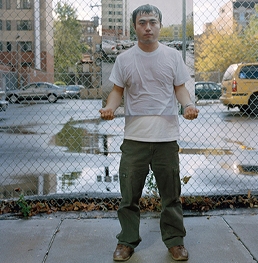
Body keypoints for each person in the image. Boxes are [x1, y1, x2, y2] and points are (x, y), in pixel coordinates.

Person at [99, 4, 199, 262]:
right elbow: (117, 92)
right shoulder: (124, 60)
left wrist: (188, 105)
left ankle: (175, 241)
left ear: (160, 26)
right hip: (135, 139)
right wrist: (109, 108)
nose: (148, 27)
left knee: (171, 196)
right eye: (142, 22)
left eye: (152, 22)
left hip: (166, 138)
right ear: (135, 27)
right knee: (129, 196)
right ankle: (126, 242)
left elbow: (181, 88)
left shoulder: (173, 57)